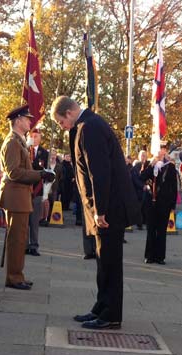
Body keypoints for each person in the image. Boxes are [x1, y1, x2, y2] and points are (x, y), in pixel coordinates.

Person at [51, 96, 140, 330]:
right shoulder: (88, 125)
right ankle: (101, 307)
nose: (62, 127)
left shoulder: (89, 127)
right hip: (104, 206)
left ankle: (111, 315)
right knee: (103, 261)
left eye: (61, 122)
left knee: (110, 262)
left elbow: (99, 172)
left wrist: (100, 209)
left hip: (109, 208)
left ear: (69, 113)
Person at [0, 104, 54, 290]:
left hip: (19, 195)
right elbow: (13, 172)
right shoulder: (12, 142)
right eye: (27, 119)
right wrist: (40, 175)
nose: (30, 121)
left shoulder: (18, 141)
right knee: (17, 239)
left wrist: (41, 172)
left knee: (20, 238)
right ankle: (14, 277)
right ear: (18, 120)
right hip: (15, 196)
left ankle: (17, 274)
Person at [140, 141, 178, 265]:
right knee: (151, 230)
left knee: (161, 231)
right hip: (151, 202)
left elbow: (174, 187)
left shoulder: (170, 166)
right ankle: (149, 255)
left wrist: (172, 205)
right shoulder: (150, 164)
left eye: (164, 149)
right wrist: (152, 165)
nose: (161, 151)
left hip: (164, 203)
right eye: (159, 149)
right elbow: (142, 177)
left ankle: (160, 257)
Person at [26, 128, 49, 256]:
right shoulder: (24, 150)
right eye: (32, 136)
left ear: (40, 138)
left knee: (34, 220)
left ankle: (33, 245)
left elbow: (46, 171)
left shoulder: (44, 153)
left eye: (36, 136)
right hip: (24, 189)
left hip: (37, 190)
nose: (34, 138)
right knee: (24, 220)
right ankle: (24, 245)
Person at [131, 150, 150, 230]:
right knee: (139, 207)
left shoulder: (148, 166)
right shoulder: (136, 167)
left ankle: (145, 221)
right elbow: (135, 179)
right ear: (139, 157)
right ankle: (139, 223)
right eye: (142, 155)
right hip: (138, 190)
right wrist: (143, 186)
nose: (144, 157)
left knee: (146, 207)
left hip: (147, 190)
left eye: (145, 155)